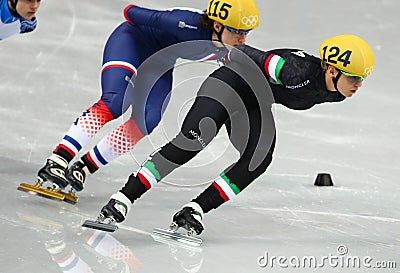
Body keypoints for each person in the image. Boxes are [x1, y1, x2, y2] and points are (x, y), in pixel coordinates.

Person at [94, 34, 375, 236]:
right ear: (331, 69)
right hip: (228, 85)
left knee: (259, 158)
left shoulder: (337, 93)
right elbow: (251, 54)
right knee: (191, 142)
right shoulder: (294, 69)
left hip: (254, 103)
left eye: (362, 79)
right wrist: (226, 50)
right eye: (353, 78)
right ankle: (122, 199)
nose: (358, 85)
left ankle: (194, 210)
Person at [35, 0, 260, 192]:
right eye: (237, 31)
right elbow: (130, 12)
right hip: (132, 41)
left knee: (146, 121)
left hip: (159, 63)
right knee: (115, 102)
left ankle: (84, 167)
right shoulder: (185, 22)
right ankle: (59, 158)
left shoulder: (230, 47)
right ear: (217, 25)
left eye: (246, 32)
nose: (242, 39)